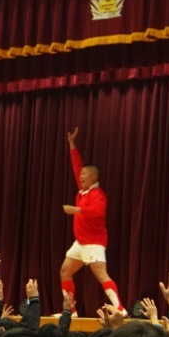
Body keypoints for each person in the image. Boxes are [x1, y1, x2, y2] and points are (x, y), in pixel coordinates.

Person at [59, 126, 123, 313]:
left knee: (102, 275)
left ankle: (120, 308)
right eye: (80, 175)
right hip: (80, 243)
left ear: (93, 177)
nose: (80, 176)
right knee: (65, 271)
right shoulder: (83, 190)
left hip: (94, 243)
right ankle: (70, 311)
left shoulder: (98, 195)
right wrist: (72, 144)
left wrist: (77, 210)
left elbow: (98, 212)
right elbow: (77, 165)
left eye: (84, 175)